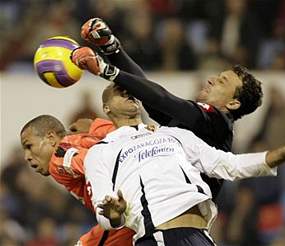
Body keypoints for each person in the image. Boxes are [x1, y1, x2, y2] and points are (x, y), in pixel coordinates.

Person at [84, 83, 285, 245]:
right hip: (161, 237)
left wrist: (280, 155)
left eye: (129, 89)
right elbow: (104, 215)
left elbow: (229, 165)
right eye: (119, 91)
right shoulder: (102, 151)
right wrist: (115, 216)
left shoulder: (172, 134)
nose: (127, 92)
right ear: (106, 108)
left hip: (200, 235)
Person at [73, 18, 263, 202]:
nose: (211, 80)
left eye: (222, 81)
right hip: (158, 213)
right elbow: (150, 93)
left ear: (233, 104)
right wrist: (111, 47)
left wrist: (106, 71)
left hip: (184, 221)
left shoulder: (218, 122)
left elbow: (161, 98)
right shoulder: (196, 124)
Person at [20, 116, 134, 246]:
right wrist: (95, 126)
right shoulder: (86, 138)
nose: (26, 157)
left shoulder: (58, 159)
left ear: (51, 138)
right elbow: (130, 133)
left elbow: (93, 161)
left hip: (128, 207)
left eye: (29, 146)